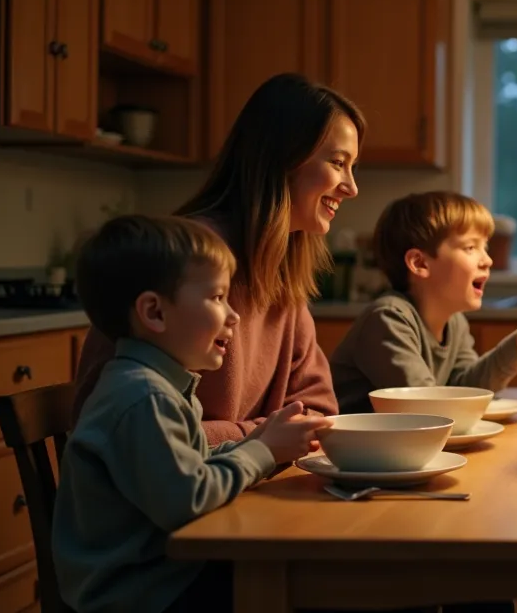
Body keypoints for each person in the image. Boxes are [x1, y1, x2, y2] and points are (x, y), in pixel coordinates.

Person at [53, 214, 331, 613]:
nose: (233, 316)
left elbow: (192, 465)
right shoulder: (143, 397)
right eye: (218, 298)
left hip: (163, 575)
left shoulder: (162, 386)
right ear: (154, 312)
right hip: (141, 594)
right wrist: (264, 452)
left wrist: (254, 443)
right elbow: (190, 497)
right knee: (304, 586)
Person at [71, 73, 365, 444]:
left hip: (235, 484)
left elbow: (318, 411)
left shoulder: (282, 265)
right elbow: (123, 427)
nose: (352, 187)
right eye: (339, 163)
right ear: (284, 158)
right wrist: (261, 437)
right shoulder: (187, 257)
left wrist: (257, 438)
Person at [330, 191, 517, 414]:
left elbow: (470, 389)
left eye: (484, 247)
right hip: (352, 455)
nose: (487, 260)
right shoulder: (388, 319)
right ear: (420, 263)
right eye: (470, 247)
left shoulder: (454, 322)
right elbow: (425, 408)